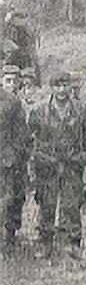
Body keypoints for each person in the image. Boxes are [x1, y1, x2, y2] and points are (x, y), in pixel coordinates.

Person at [27, 71, 86, 258]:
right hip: (47, 166)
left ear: (70, 86)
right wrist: (37, 156)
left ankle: (72, 243)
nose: (61, 90)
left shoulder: (81, 110)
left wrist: (85, 156)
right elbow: (28, 137)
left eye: (64, 85)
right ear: (52, 87)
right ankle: (45, 242)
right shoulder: (40, 110)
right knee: (46, 203)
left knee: (72, 204)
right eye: (57, 86)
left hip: (71, 166)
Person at [1, 65, 32, 253]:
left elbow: (22, 135)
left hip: (11, 162)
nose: (11, 85)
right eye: (7, 81)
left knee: (13, 199)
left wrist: (15, 156)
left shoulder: (15, 104)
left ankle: (10, 239)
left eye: (14, 81)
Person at [2, 10, 40, 86]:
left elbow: (28, 45)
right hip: (20, 55)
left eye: (13, 21)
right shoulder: (16, 29)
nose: (12, 24)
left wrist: (15, 47)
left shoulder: (25, 30)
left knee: (26, 75)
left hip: (24, 56)